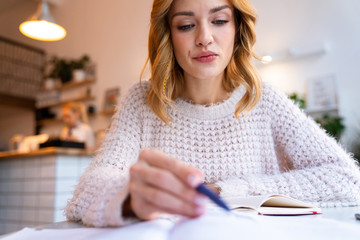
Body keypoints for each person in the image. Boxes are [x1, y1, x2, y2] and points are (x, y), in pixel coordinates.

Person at [65, 0, 360, 227]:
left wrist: (223, 190)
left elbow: (347, 179)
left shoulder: (264, 100)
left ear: (237, 28)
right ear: (167, 34)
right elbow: (86, 193)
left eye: (219, 20)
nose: (205, 38)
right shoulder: (141, 101)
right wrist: (130, 197)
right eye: (185, 25)